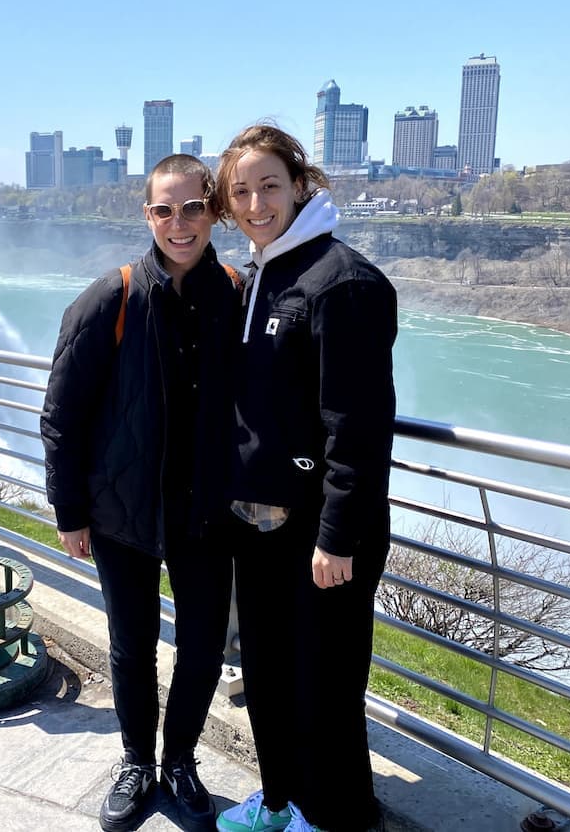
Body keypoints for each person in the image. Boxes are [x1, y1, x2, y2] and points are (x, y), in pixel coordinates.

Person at [41, 154, 242, 832]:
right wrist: (69, 510)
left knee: (205, 646)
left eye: (192, 208)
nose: (179, 224)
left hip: (207, 513)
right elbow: (62, 414)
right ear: (146, 214)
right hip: (122, 512)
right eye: (165, 210)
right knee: (133, 645)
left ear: (214, 211)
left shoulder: (237, 292)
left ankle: (180, 760)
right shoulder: (113, 297)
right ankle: (135, 762)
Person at [213, 125, 397, 832]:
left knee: (325, 688)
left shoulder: (341, 282)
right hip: (258, 524)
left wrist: (337, 537)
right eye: (242, 190)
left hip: (321, 536)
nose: (257, 201)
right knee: (268, 680)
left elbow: (357, 426)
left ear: (300, 185)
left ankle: (340, 817)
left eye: (270, 185)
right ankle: (283, 801)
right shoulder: (264, 273)